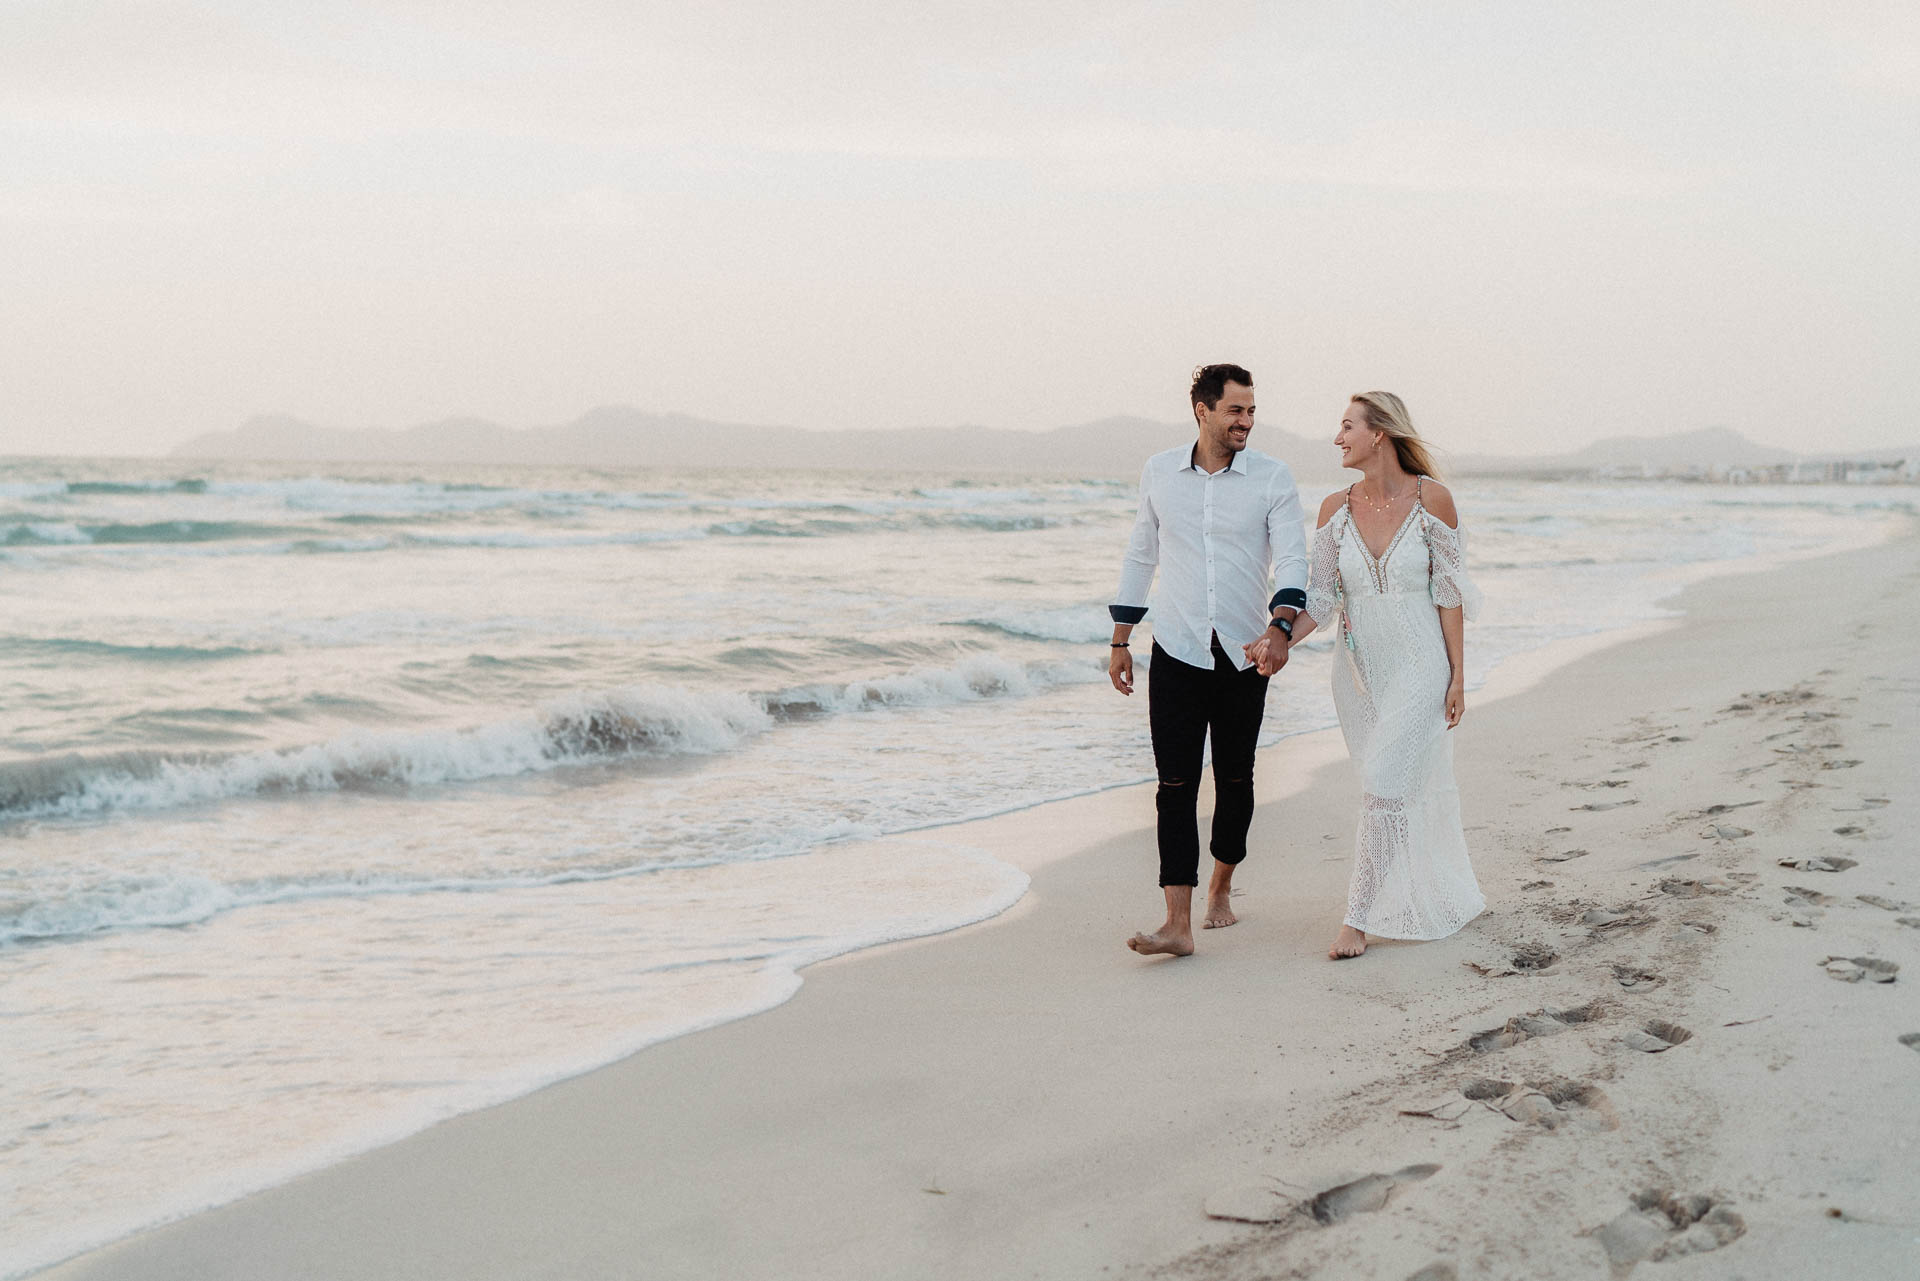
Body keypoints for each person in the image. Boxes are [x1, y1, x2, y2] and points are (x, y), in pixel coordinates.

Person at [1248, 391, 1485, 959]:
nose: (1337, 438)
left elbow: (1449, 595)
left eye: (1347, 426)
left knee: (1383, 782)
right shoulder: (1335, 509)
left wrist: (1457, 675)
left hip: (1422, 665)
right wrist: (1276, 638)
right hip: (1359, 676)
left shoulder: (1435, 502)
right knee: (1393, 786)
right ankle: (1437, 890)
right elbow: (1323, 601)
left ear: (1379, 433)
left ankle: (1356, 920)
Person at [1108, 364, 1309, 957]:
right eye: (1235, 410)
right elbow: (1141, 553)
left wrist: (1279, 629)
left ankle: (1221, 884)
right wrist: (1121, 639)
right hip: (1175, 645)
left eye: (1251, 410)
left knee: (1236, 778)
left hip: (1247, 651)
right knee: (1174, 784)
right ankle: (1177, 921)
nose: (1246, 421)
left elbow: (1293, 562)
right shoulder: (1160, 472)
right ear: (1203, 410)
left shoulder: (1272, 477)